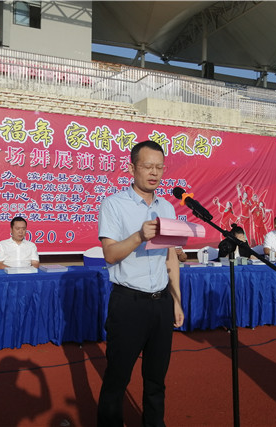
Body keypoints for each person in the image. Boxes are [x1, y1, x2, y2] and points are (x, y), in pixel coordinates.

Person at [97, 140, 184, 427]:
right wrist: (139, 236)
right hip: (128, 303)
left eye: (159, 167)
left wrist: (177, 301)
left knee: (156, 380)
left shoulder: (167, 208)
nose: (154, 172)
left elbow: (171, 258)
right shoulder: (113, 204)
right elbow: (110, 255)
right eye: (147, 166)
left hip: (161, 303)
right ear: (132, 168)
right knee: (117, 378)